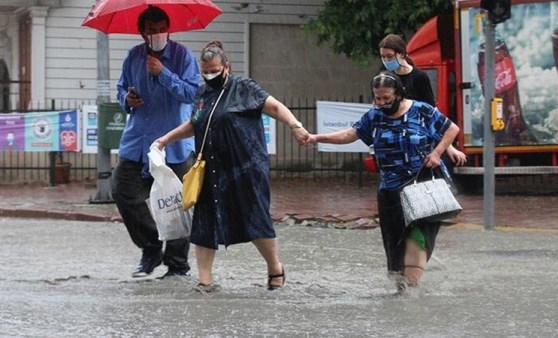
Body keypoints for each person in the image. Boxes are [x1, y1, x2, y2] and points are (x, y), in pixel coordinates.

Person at [155, 40, 309, 292]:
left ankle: (274, 267)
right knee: (204, 223)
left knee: (255, 219)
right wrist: (166, 139)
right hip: (210, 168)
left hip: (245, 167)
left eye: (214, 70)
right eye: (205, 71)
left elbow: (275, 107)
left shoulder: (244, 88)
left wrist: (295, 126)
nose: (210, 75)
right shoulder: (202, 94)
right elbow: (195, 124)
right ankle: (205, 279)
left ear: (227, 66)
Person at [305, 71, 460, 292]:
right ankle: (402, 290)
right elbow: (351, 134)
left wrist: (436, 153)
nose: (381, 102)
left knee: (417, 235)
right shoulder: (374, 116)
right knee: (395, 244)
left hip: (421, 185)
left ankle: (412, 290)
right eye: (377, 98)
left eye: (386, 98)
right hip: (390, 190)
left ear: (398, 94)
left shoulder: (420, 110)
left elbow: (451, 129)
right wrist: (318, 137)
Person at [111, 6, 200, 279]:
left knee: (178, 204)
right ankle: (151, 249)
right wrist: (128, 98)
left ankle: (177, 265)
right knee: (122, 190)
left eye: (162, 29)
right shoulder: (133, 56)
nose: (158, 34)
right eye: (152, 30)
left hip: (173, 143)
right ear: (142, 32)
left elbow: (192, 93)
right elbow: (121, 88)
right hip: (138, 141)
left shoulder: (183, 55)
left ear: (168, 29)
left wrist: (163, 73)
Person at [379, 33, 466, 166]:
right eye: (383, 57)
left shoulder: (419, 77)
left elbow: (432, 115)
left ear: (402, 54)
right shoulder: (385, 77)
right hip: (394, 143)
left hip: (417, 144)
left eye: (389, 56)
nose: (386, 61)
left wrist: (449, 147)